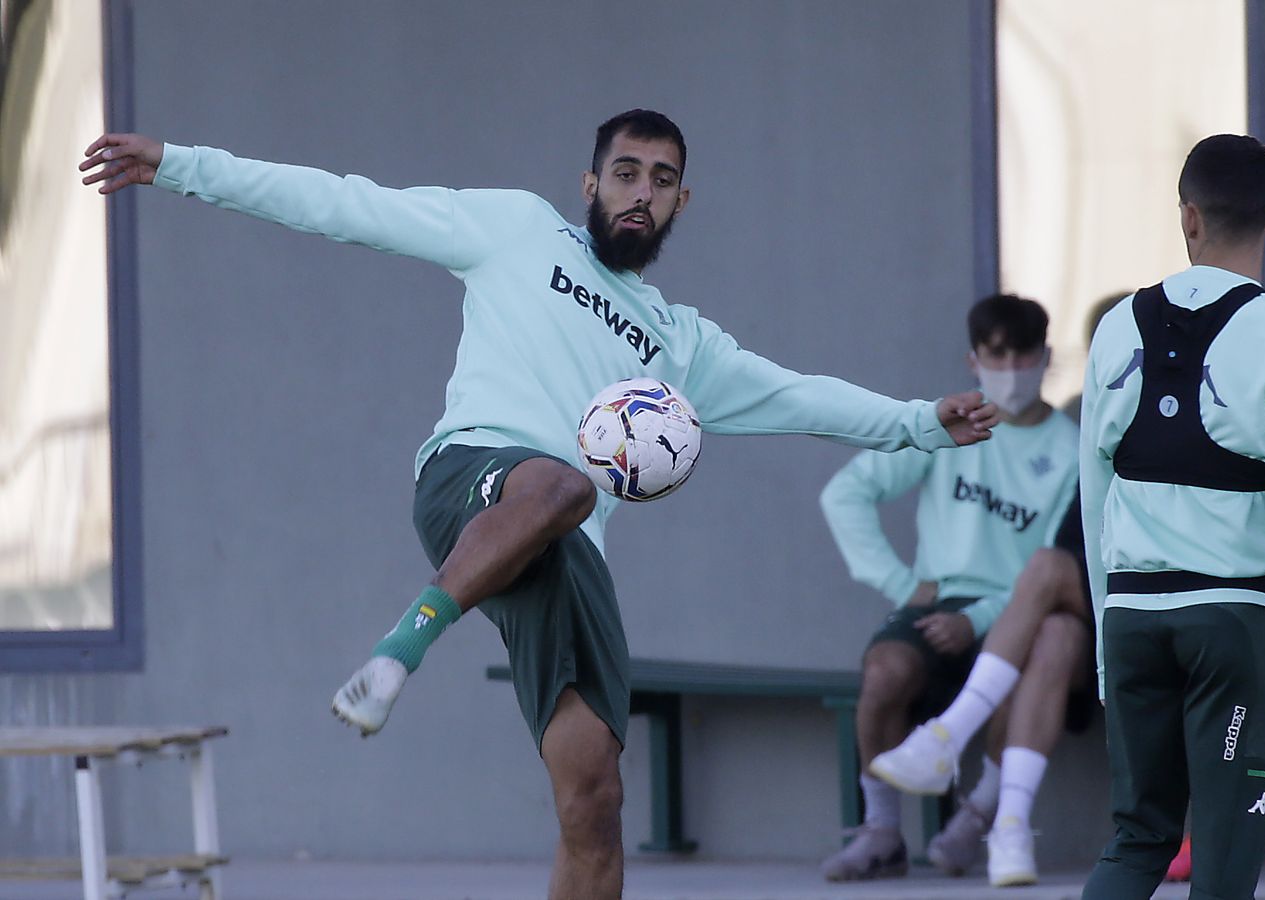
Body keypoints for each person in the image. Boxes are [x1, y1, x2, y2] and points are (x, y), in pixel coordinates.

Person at [79, 111, 998, 900]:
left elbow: (800, 396)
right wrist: (180, 166)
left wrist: (920, 421)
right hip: (471, 479)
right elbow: (346, 203)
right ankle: (402, 648)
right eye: (627, 173)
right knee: (562, 478)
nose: (642, 192)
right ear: (590, 182)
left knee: (595, 798)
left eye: (664, 180)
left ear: (682, 202)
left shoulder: (681, 342)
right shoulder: (519, 231)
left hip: (570, 550)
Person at [1075, 134, 1265, 900]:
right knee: (1224, 868)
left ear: (1187, 217)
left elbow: (1092, 501)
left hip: (1130, 619)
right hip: (1236, 624)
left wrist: (1105, 641)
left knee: (1136, 841)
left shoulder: (1112, 329)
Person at [817, 294, 1082, 885]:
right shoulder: (956, 423)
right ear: (973, 360)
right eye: (997, 356)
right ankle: (882, 834)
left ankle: (977, 820)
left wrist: (983, 616)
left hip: (1024, 610)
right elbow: (845, 495)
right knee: (885, 670)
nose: (1011, 370)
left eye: (1024, 356)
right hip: (940, 603)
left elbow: (1062, 562)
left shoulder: (1072, 451)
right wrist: (904, 585)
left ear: (1047, 357)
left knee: (1031, 664)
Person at [868, 298, 1124, 887]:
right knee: (1057, 630)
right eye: (1108, 356)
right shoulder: (1096, 430)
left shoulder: (1160, 423)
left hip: (1154, 602)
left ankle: (948, 735)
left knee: (1046, 569)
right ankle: (1009, 825)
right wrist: (904, 586)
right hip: (1089, 613)